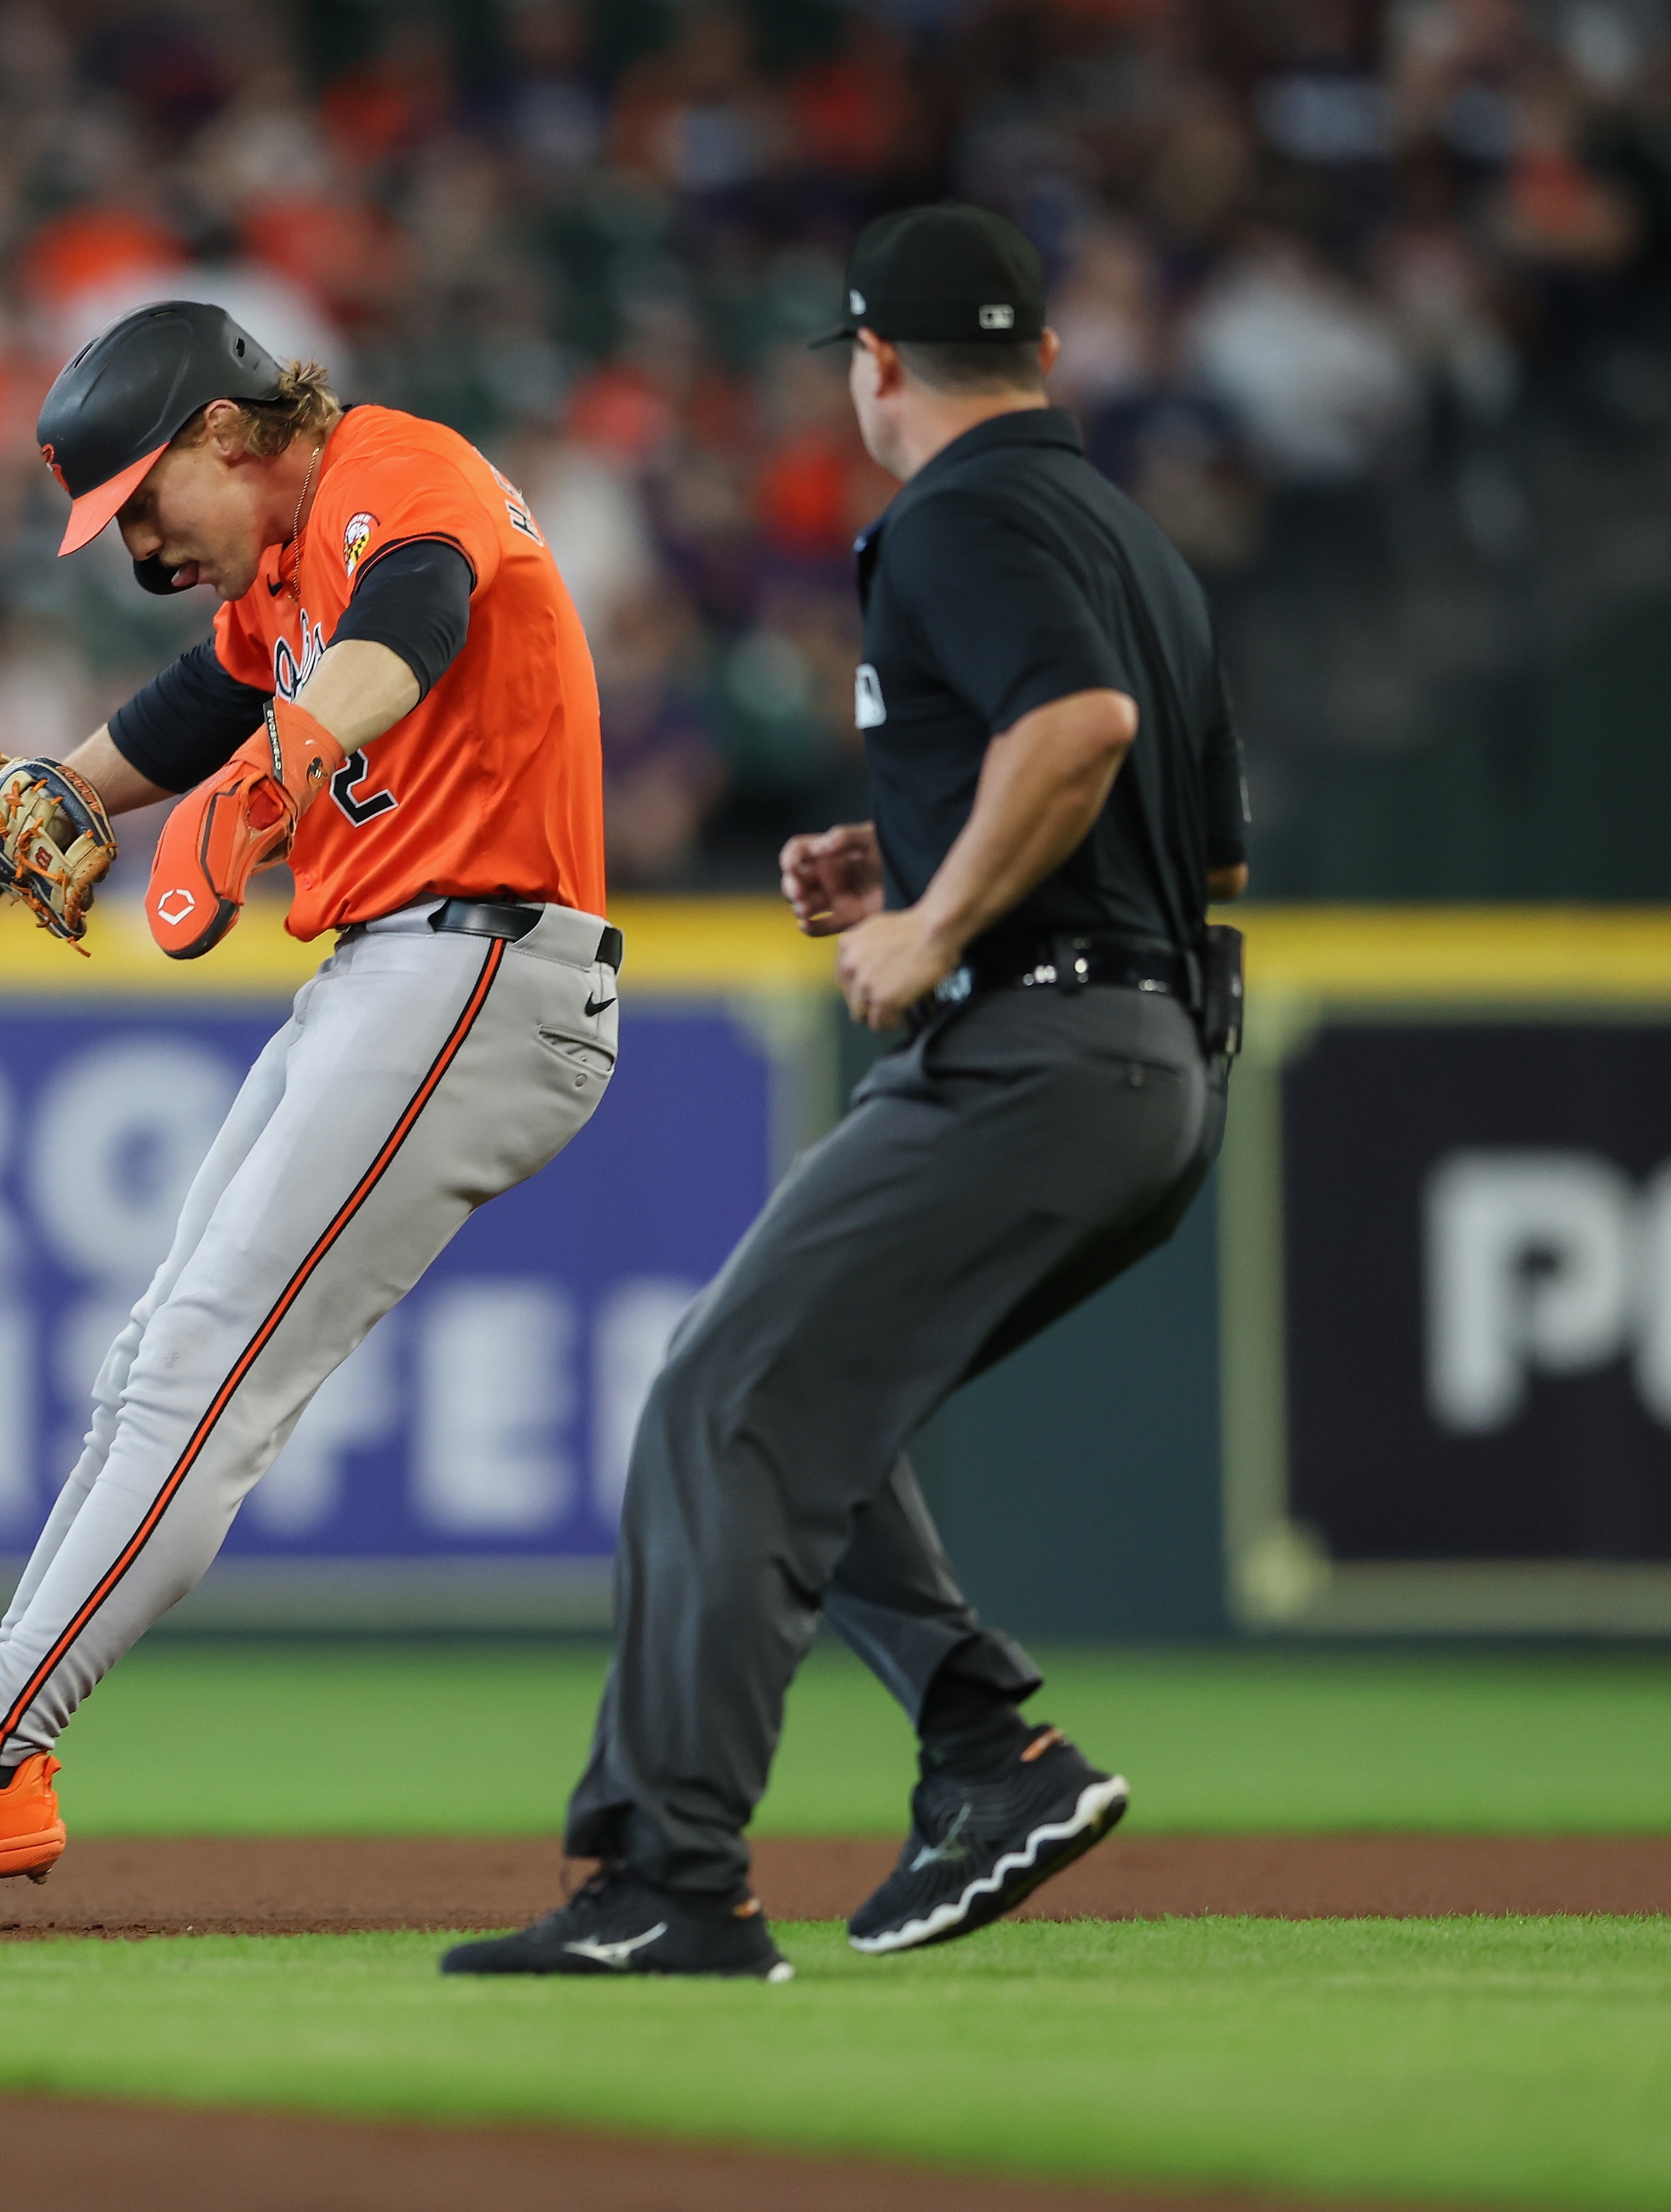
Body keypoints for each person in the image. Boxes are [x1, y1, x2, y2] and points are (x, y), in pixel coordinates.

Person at [447, 206, 1246, 1982]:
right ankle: (986, 1748)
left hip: (1037, 1049)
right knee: (800, 1401)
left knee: (718, 1400)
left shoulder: (961, 509)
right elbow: (1147, 808)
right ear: (1037, 352)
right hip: (1152, 1058)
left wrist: (937, 918)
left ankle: (672, 1874)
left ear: (877, 364)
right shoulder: (1125, 529)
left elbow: (1082, 730)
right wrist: (908, 867)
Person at [0, 302, 620, 1916]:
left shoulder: (391, 473)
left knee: (199, 1377)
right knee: (151, 1362)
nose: (141, 547)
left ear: (226, 429)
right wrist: (24, 806)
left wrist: (270, 776)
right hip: (388, 972)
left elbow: (412, 623)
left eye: (145, 505)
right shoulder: (280, 569)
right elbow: (182, 714)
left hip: (482, 966)